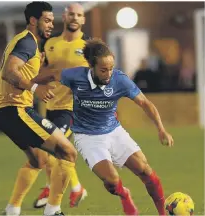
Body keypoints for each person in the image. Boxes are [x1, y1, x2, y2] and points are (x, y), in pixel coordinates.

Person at [34, 38, 174, 215]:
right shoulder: (75, 76)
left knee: (145, 171)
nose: (108, 74)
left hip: (114, 132)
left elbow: (146, 104)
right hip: (87, 138)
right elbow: (52, 74)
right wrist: (32, 85)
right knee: (112, 182)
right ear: (91, 66)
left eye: (111, 68)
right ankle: (124, 194)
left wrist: (161, 129)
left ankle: (163, 213)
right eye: (103, 70)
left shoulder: (119, 80)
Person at [0, 2, 77, 216]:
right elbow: (9, 73)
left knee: (38, 160)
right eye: (46, 20)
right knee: (68, 152)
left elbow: (20, 73)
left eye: (52, 20)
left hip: (5, 112)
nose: (51, 25)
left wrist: (48, 76)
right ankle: (53, 210)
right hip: (16, 110)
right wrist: (36, 87)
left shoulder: (26, 42)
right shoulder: (28, 43)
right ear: (33, 20)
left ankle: (11, 210)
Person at [33, 3, 88, 210]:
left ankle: (53, 194)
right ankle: (76, 188)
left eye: (79, 15)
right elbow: (40, 70)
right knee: (50, 150)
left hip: (73, 108)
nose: (74, 18)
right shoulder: (48, 42)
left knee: (55, 147)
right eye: (71, 14)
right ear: (64, 17)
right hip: (48, 105)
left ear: (83, 20)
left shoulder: (89, 46)